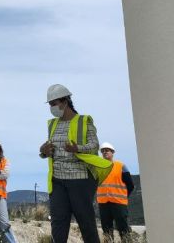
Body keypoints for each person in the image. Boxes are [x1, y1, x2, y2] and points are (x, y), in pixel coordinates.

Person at [39, 84, 111, 243]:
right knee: (58, 223)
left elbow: (94, 146)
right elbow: (50, 149)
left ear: (65, 101)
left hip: (80, 180)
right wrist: (43, 151)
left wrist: (76, 148)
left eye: (54, 103)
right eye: (50, 104)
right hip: (57, 181)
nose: (52, 107)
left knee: (86, 223)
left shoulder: (84, 121)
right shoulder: (52, 124)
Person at [97, 142, 134, 242]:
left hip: (119, 203)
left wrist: (123, 196)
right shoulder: (98, 167)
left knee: (123, 229)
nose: (105, 152)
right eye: (103, 151)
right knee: (107, 230)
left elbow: (130, 185)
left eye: (107, 150)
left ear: (112, 152)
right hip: (103, 204)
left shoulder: (121, 166)